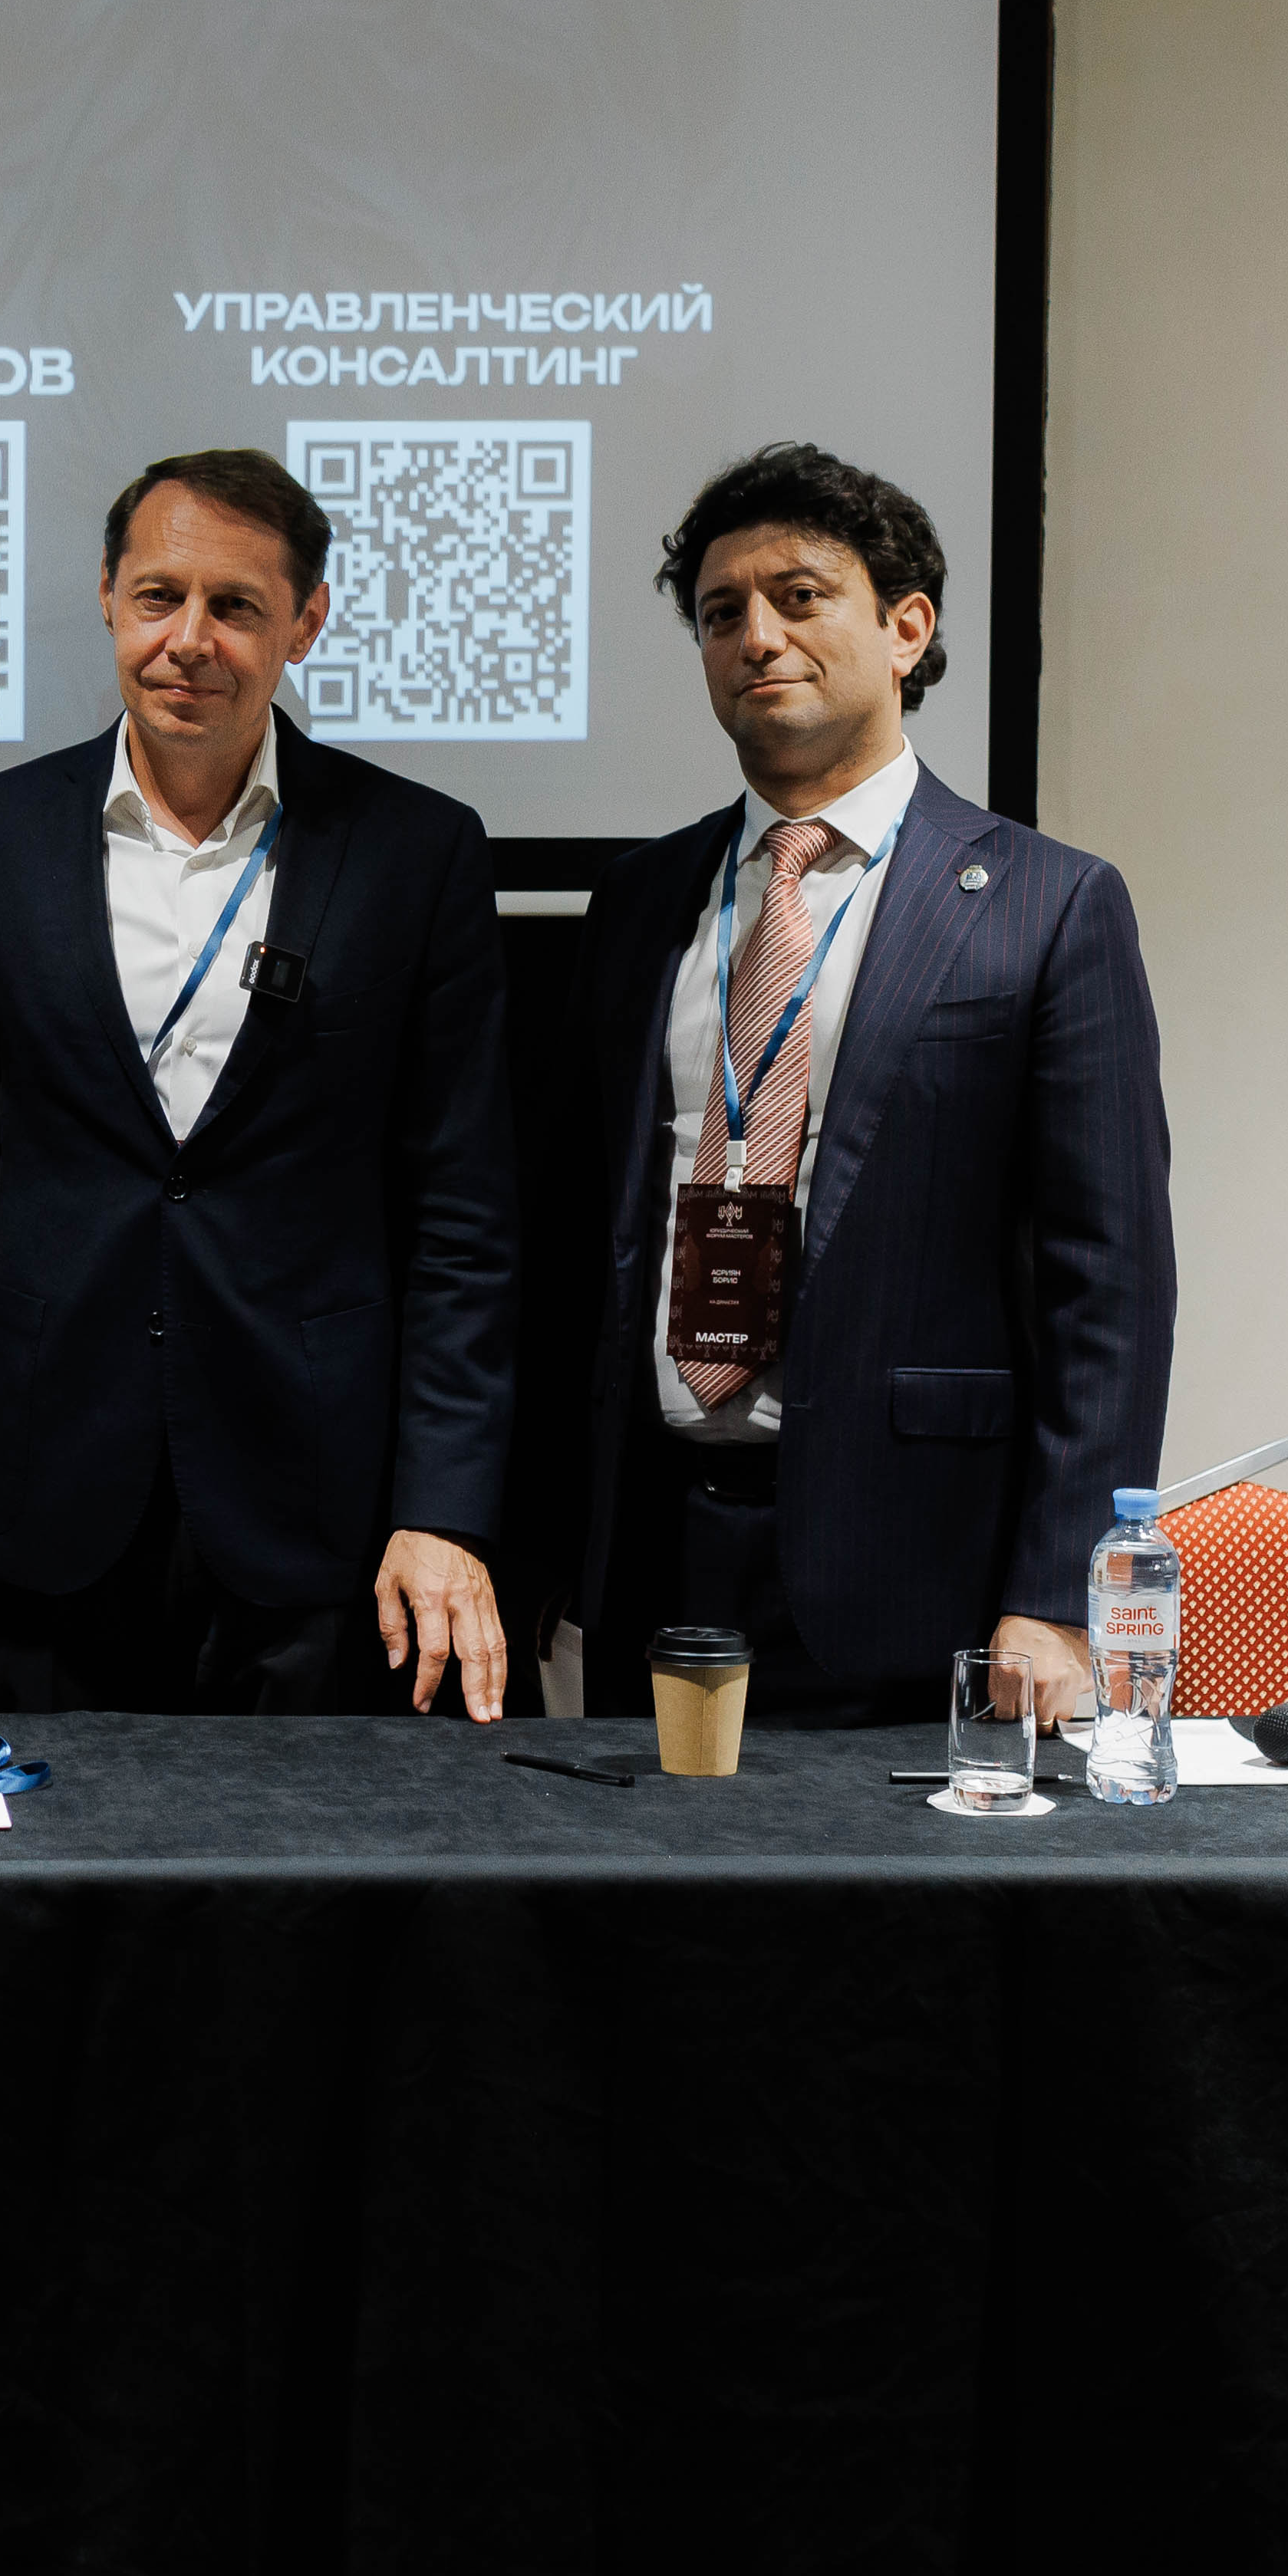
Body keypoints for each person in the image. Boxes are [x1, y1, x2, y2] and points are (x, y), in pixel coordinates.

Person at [545, 442, 1172, 1730]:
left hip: (913, 1558)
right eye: (721, 613)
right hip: (653, 1543)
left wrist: (1057, 1593)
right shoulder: (638, 902)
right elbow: (578, 1232)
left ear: (906, 629)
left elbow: (1107, 1281)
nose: (756, 637)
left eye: (798, 597)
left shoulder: (1047, 904)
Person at [0, 446, 520, 1719]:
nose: (189, 640)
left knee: (304, 1854)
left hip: (319, 1503)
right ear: (107, 596)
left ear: (307, 620)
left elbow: (464, 1218)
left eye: (236, 605)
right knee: (57, 1842)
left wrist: (444, 1507)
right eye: (159, 596)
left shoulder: (416, 851)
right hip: (59, 1487)